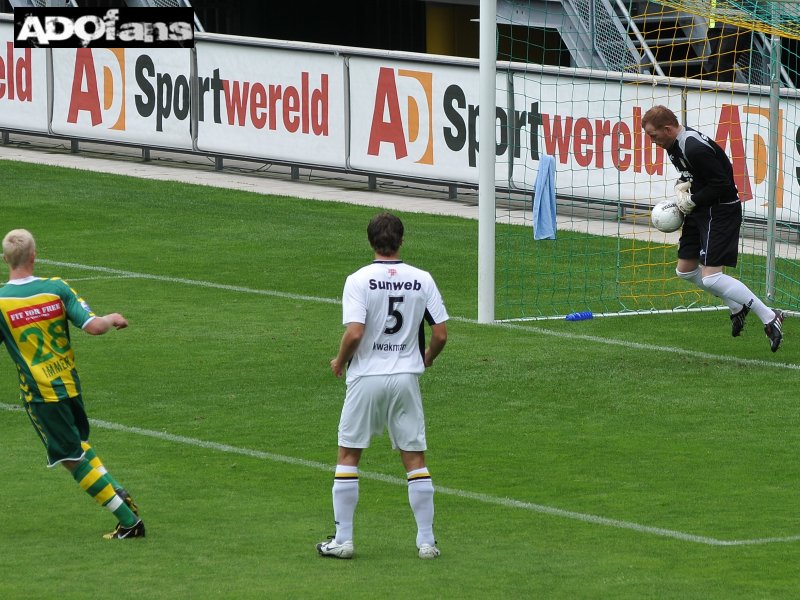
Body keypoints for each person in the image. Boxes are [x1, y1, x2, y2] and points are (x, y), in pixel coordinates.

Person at [316, 212, 449, 560]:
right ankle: (426, 542)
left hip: (366, 377)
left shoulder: (358, 279)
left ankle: (343, 539)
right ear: (402, 241)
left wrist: (340, 360)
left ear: (371, 241)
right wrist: (427, 358)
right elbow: (440, 333)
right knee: (414, 459)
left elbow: (356, 331)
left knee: (348, 454)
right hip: (406, 377)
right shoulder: (422, 279)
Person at [0, 229, 145, 539]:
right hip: (70, 386)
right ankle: (118, 492)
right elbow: (93, 327)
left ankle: (129, 522)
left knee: (70, 458)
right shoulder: (56, 288)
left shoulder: (1, 302)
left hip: (41, 395)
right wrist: (112, 318)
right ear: (34, 256)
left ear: (5, 260)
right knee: (77, 444)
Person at [642, 105, 784, 352]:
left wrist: (692, 200)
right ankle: (737, 306)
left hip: (720, 211)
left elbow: (723, 185)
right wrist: (683, 188)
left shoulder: (694, 148)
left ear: (667, 129)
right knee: (685, 271)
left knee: (711, 278)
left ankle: (770, 317)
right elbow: (696, 177)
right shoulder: (672, 147)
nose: (652, 141)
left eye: (653, 136)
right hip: (700, 211)